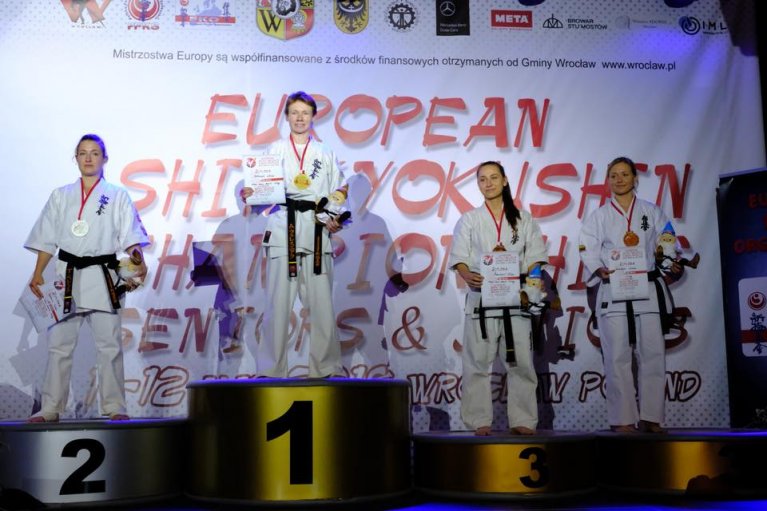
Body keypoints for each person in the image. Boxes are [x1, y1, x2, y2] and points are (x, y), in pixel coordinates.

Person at [25, 133, 149, 422]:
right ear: (76, 158)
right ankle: (51, 407)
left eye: (95, 153)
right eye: (83, 153)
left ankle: (115, 407)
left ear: (105, 159)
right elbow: (46, 237)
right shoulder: (61, 195)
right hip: (66, 275)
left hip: (103, 275)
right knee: (59, 345)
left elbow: (130, 235)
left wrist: (138, 260)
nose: (89, 158)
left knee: (109, 345)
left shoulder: (117, 195)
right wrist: (38, 272)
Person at [240, 91, 345, 378]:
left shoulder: (325, 153)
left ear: (313, 117)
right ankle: (271, 370)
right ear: (286, 116)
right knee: (277, 305)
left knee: (322, 306)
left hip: (316, 229)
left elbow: (338, 190)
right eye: (295, 112)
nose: (300, 118)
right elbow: (261, 193)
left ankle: (326, 368)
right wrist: (250, 193)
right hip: (281, 229)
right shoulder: (273, 151)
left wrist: (334, 218)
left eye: (305, 113)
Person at [579, 156, 680, 434]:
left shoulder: (651, 211)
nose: (619, 179)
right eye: (613, 175)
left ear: (635, 178)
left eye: (624, 174)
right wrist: (598, 268)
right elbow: (586, 247)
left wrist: (667, 258)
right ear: (608, 181)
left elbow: (667, 240)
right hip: (614, 289)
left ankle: (651, 417)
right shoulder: (599, 216)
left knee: (653, 354)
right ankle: (622, 419)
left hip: (646, 289)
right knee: (616, 357)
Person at [449, 161, 548, 436]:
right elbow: (459, 257)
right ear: (478, 184)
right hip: (482, 299)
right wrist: (466, 274)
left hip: (516, 298)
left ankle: (523, 419)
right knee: (476, 363)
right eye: (483, 179)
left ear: (505, 181)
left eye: (494, 177)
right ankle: (479, 420)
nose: (489, 183)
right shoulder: (469, 219)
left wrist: (532, 286)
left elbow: (535, 258)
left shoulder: (523, 219)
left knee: (521, 363)